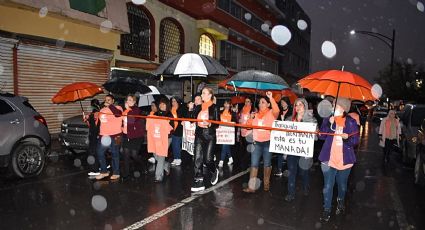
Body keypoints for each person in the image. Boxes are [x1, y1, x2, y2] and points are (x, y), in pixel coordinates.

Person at [318, 97, 359, 222]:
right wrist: (327, 122)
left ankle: (340, 201)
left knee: (342, 186)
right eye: (333, 104)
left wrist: (347, 138)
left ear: (343, 108)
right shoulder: (329, 119)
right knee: (328, 186)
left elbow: (355, 141)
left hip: (344, 161)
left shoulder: (351, 122)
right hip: (328, 160)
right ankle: (327, 209)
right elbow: (321, 136)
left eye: (335, 104)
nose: (333, 106)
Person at [243, 91, 279, 193]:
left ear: (268, 104)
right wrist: (250, 118)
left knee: (267, 164)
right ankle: (252, 187)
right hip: (256, 143)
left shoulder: (272, 113)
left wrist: (271, 98)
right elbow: (248, 127)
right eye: (259, 102)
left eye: (263, 102)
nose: (260, 104)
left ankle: (266, 184)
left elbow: (277, 109)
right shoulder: (255, 114)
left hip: (268, 142)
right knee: (254, 164)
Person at [284, 98, 317, 202]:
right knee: (292, 171)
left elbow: (315, 138)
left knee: (303, 172)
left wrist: (315, 131)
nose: (298, 107)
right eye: (296, 105)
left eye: (300, 105)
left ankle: (305, 186)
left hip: (304, 152)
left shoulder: (312, 120)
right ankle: (291, 193)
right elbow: (282, 135)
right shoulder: (289, 119)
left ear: (305, 106)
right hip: (292, 151)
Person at [189, 87, 220, 192]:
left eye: (204, 93)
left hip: (210, 135)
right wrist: (191, 109)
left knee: (208, 159)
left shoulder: (215, 107)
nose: (201, 95)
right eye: (202, 93)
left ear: (210, 95)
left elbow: (217, 123)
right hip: (199, 134)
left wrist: (210, 123)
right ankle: (198, 180)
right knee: (197, 158)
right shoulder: (198, 107)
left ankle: (214, 170)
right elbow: (192, 119)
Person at [96, 94, 123, 180]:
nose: (106, 101)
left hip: (116, 135)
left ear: (113, 101)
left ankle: (116, 172)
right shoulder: (102, 109)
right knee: (100, 152)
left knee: (115, 154)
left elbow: (118, 115)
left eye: (109, 100)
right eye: (106, 100)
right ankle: (104, 172)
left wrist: (110, 106)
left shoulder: (118, 108)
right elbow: (101, 122)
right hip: (104, 136)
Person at [121, 95, 145, 180]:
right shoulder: (125, 110)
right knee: (126, 154)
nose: (128, 101)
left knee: (134, 154)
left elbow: (131, 121)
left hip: (136, 136)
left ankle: (143, 165)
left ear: (134, 102)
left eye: (131, 100)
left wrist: (128, 109)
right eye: (127, 100)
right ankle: (126, 173)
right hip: (126, 135)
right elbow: (123, 122)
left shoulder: (136, 109)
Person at [151, 98, 174, 182]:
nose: (161, 106)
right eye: (160, 104)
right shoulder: (155, 114)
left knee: (160, 156)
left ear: (167, 105)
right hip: (157, 137)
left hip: (166, 138)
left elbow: (171, 128)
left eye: (164, 104)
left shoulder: (169, 115)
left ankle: (158, 176)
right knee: (155, 154)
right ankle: (166, 165)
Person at [274, 97, 292, 177]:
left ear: (287, 102)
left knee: (289, 153)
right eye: (281, 102)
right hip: (280, 135)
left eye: (284, 102)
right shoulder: (279, 111)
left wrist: (285, 120)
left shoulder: (292, 111)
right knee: (280, 153)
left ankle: (289, 170)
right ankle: (279, 169)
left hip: (288, 135)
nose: (282, 104)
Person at [84, 99, 101, 177]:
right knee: (95, 152)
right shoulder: (95, 113)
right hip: (94, 135)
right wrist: (86, 119)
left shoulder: (96, 113)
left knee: (93, 152)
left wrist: (88, 117)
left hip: (95, 135)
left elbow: (95, 125)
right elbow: (90, 125)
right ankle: (99, 167)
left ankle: (96, 170)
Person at [218, 99, 237, 167]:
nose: (226, 105)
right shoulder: (220, 111)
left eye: (228, 104)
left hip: (229, 132)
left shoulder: (232, 112)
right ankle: (230, 158)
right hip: (221, 131)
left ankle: (221, 160)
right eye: (225, 103)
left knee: (224, 145)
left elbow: (235, 121)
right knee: (226, 146)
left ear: (230, 105)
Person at [238, 96, 254, 170]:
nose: (246, 103)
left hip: (250, 133)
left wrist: (252, 117)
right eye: (246, 101)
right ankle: (248, 163)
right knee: (244, 149)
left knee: (249, 150)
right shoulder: (242, 110)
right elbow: (238, 120)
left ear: (251, 103)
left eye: (248, 101)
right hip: (242, 132)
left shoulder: (253, 111)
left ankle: (243, 163)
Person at [170, 97, 185, 166]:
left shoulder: (181, 109)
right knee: (174, 144)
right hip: (172, 128)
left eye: (175, 101)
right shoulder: (170, 110)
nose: (173, 103)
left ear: (178, 102)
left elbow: (183, 117)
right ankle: (175, 158)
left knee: (177, 144)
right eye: (172, 101)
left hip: (179, 128)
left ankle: (178, 158)